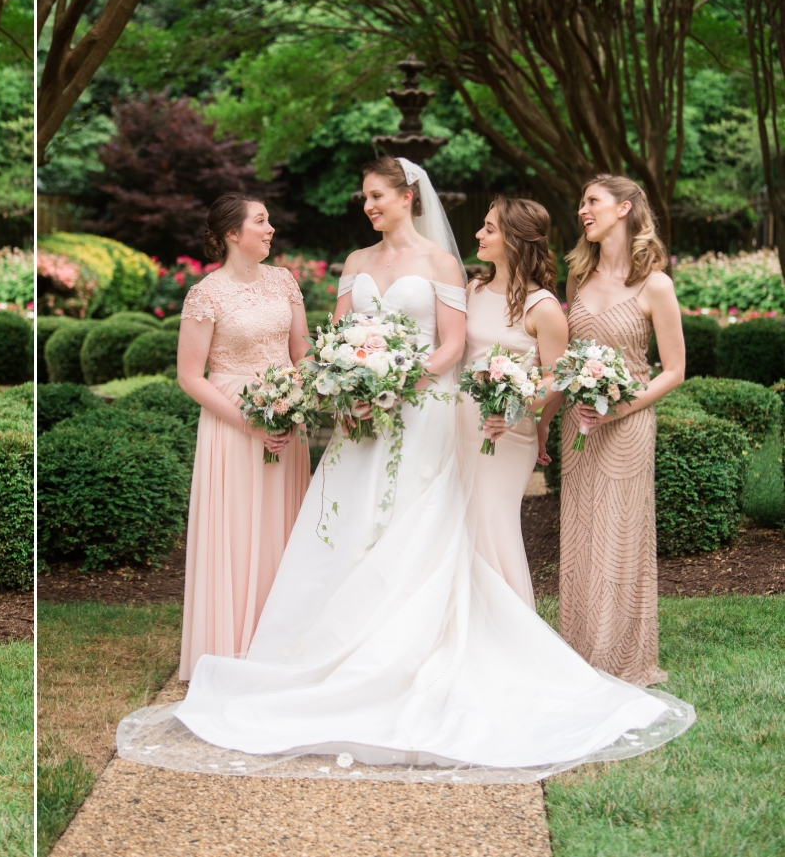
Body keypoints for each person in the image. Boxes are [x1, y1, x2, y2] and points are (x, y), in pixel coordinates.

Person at [125, 156, 690, 777]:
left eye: (376, 195)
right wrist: (347, 387)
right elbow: (336, 337)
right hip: (359, 420)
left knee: (418, 525)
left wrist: (397, 379)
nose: (367, 206)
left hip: (420, 413)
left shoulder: (444, 266)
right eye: (363, 197)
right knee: (344, 527)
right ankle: (316, 655)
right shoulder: (357, 264)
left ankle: (417, 653)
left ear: (407, 197)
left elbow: (451, 345)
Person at [175, 194, 310, 681]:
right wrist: (249, 421)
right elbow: (190, 376)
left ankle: (283, 643)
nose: (270, 228)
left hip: (286, 418)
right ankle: (231, 648)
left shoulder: (285, 282)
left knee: (286, 527)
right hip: (233, 424)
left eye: (269, 220)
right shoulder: (206, 295)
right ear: (233, 234)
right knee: (238, 527)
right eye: (261, 221)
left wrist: (299, 401)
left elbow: (302, 352)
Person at [561, 175, 684, 686]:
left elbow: (674, 370)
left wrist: (618, 408)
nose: (583, 210)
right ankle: (577, 651)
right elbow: (565, 357)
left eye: (592, 202)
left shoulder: (656, 284)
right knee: (580, 531)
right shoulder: (577, 278)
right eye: (583, 203)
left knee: (620, 532)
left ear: (624, 208)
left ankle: (622, 656)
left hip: (628, 423)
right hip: (579, 425)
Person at [459, 197, 568, 609]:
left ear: (516, 239)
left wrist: (520, 414)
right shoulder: (474, 289)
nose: (479, 234)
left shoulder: (543, 307)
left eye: (490, 228)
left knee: (492, 520)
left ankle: (509, 623)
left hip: (507, 433)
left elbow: (557, 379)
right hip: (462, 424)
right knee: (464, 521)